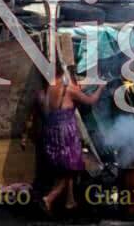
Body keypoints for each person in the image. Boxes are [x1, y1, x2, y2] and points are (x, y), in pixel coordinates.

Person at [38, 64, 106, 214]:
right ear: (63, 74)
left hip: (50, 131)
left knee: (64, 166)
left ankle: (70, 201)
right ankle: (49, 198)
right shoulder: (67, 89)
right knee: (72, 167)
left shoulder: (46, 90)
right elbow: (90, 100)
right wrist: (101, 88)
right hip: (65, 132)